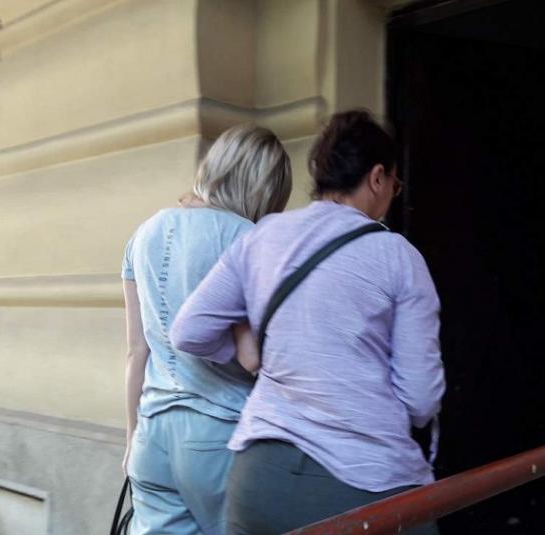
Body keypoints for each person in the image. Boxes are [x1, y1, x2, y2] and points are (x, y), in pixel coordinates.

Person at [170, 110, 445, 534]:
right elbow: (421, 399)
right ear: (377, 177)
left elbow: (189, 330)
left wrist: (245, 349)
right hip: (364, 485)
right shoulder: (400, 258)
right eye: (395, 183)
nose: (393, 193)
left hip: (258, 478)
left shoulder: (263, 236)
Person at [122, 124, 292, 535]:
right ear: (264, 188)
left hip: (151, 432)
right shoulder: (249, 238)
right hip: (221, 434)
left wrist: (131, 438)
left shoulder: (143, 233)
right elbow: (264, 353)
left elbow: (136, 351)